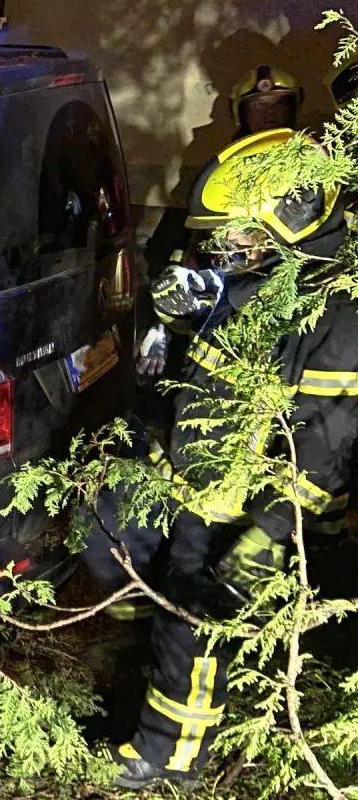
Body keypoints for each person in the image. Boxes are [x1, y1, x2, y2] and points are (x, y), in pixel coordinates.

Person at [83, 127, 358, 790]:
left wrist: (267, 536)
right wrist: (180, 319)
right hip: (191, 482)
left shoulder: (338, 319)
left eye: (233, 234)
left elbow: (325, 447)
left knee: (192, 619)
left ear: (284, 224)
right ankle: (164, 654)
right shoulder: (256, 288)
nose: (218, 247)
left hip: (252, 511)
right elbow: (192, 382)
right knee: (109, 531)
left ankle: (171, 755)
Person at [133, 67, 307, 424]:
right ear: (240, 114)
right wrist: (160, 322)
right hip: (221, 293)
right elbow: (186, 235)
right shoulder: (223, 164)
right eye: (258, 107)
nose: (270, 114)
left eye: (279, 105)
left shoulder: (310, 164)